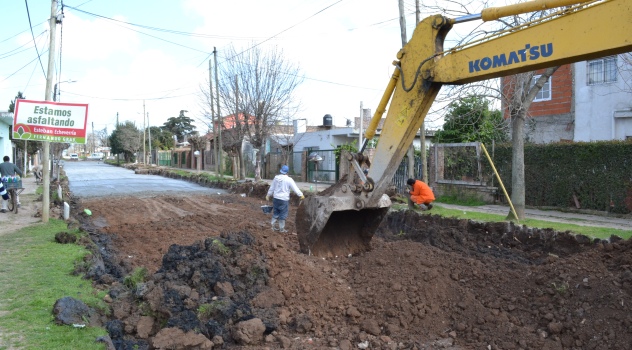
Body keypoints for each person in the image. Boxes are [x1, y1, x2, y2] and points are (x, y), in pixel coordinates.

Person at [266, 165, 304, 232]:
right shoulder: (289, 179)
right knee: (283, 214)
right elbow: (295, 188)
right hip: (284, 199)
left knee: (276, 212)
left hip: (276, 198)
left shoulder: (276, 178)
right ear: (287, 172)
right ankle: (281, 229)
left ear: (281, 171)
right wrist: (301, 195)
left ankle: (272, 227)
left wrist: (268, 195)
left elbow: (272, 187)